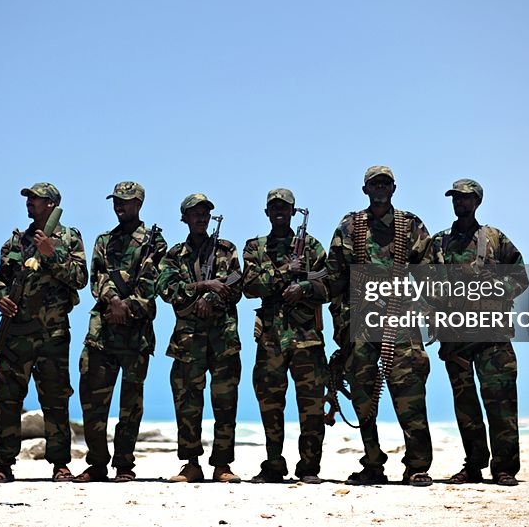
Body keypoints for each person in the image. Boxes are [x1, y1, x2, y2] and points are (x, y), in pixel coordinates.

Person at [327, 165, 435, 486]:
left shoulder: (410, 225)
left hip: (401, 321)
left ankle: (417, 466)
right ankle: (373, 464)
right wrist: (342, 326)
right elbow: (336, 277)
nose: (380, 188)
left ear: (394, 187)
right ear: (365, 189)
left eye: (385, 183)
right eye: (374, 183)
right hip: (361, 323)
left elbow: (429, 273)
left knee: (410, 393)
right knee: (363, 396)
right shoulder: (350, 226)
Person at [430, 179, 528, 487]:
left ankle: (504, 468)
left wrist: (495, 292)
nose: (459, 202)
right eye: (456, 198)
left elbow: (520, 276)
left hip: (492, 338)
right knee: (466, 407)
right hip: (456, 340)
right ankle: (473, 465)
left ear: (477, 201)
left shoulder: (495, 239)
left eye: (465, 198)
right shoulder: (439, 243)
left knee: (501, 403)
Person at [0, 182, 87, 483]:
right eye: (28, 198)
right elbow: (0, 279)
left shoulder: (69, 238)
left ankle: (60, 464)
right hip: (16, 332)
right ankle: (3, 465)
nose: (30, 202)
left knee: (56, 400)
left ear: (52, 204)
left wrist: (52, 254)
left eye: (36, 198)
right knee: (7, 398)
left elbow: (80, 279)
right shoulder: (17, 241)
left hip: (52, 333)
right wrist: (0, 297)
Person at [76, 181, 166, 483]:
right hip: (101, 335)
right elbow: (96, 278)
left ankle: (124, 464)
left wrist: (128, 307)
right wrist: (113, 301)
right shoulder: (104, 241)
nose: (119, 206)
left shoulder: (154, 242)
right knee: (93, 403)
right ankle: (97, 463)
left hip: (135, 336)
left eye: (125, 202)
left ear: (139, 204)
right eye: (116, 201)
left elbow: (153, 283)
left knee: (131, 406)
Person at [242, 188, 328, 484]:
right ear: (267, 212)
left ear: (293, 211)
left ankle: (309, 467)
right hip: (271, 338)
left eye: (285, 207)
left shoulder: (312, 246)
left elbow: (328, 286)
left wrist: (302, 288)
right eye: (274, 207)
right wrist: (283, 273)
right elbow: (250, 286)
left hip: (307, 337)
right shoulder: (255, 247)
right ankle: (274, 465)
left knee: (312, 405)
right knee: (270, 403)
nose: (279, 211)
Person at [157, 193, 243, 483]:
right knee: (187, 404)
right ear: (184, 218)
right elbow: (167, 290)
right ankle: (191, 463)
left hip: (222, 339)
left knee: (225, 403)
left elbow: (235, 288)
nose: (201, 217)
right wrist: (203, 286)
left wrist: (213, 300)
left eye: (205, 212)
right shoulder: (173, 255)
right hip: (188, 341)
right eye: (195, 213)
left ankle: (222, 465)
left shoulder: (227, 249)